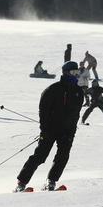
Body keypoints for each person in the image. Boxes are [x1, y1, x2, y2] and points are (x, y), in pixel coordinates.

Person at [14, 61, 84, 192]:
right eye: (74, 73)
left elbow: (77, 113)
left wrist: (72, 129)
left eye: (78, 73)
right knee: (40, 156)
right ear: (66, 73)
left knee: (63, 156)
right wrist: (44, 129)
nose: (76, 76)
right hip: (50, 130)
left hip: (67, 131)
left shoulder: (78, 92)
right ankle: (21, 183)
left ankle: (51, 181)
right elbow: (43, 110)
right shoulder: (53, 90)